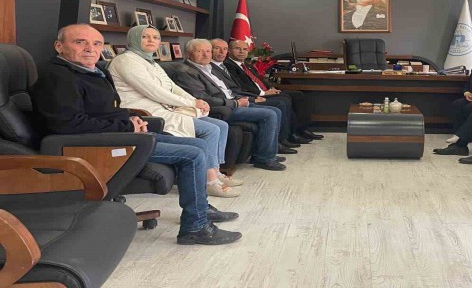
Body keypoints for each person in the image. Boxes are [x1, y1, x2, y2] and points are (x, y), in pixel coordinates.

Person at [30, 24, 241, 245]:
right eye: (80, 42)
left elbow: (106, 111)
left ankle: (201, 210)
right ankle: (195, 227)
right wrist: (126, 127)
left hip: (117, 136)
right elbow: (67, 124)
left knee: (199, 145)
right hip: (95, 146)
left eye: (97, 43)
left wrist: (130, 119)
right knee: (193, 155)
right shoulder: (58, 77)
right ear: (59, 46)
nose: (90, 48)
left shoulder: (93, 72)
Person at [108, 26, 240, 198]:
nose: (151, 40)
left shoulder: (150, 61)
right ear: (133, 38)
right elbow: (154, 91)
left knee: (220, 125)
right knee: (210, 129)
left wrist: (196, 101)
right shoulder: (125, 60)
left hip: (164, 107)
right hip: (147, 112)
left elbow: (172, 87)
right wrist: (191, 103)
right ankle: (210, 181)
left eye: (155, 37)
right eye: (145, 37)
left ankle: (215, 170)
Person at [173, 39, 285, 171]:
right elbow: (203, 98)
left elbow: (228, 90)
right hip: (221, 108)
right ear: (188, 54)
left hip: (233, 101)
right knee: (269, 114)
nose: (206, 55)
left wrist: (246, 99)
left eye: (208, 51)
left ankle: (265, 153)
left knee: (275, 110)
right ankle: (264, 159)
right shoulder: (186, 71)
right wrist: (235, 103)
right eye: (200, 51)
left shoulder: (209, 68)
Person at [209, 38, 301, 153]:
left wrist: (268, 88)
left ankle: (291, 135)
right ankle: (276, 145)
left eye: (244, 49)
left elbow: (256, 80)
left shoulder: (243, 65)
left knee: (290, 97)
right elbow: (238, 88)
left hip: (243, 97)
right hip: (233, 103)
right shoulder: (223, 66)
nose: (222, 52)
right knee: (279, 104)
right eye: (217, 48)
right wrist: (257, 96)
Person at [224, 39, 323, 141]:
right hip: (254, 94)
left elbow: (259, 80)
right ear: (229, 51)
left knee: (298, 95)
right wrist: (264, 92)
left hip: (264, 91)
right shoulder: (228, 66)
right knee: (284, 100)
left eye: (245, 49)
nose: (241, 52)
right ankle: (286, 136)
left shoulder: (247, 65)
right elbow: (241, 86)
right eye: (238, 49)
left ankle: (302, 129)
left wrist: (270, 88)